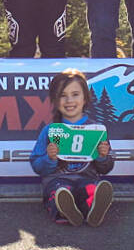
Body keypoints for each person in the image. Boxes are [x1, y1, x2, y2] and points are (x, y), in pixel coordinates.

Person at [30, 70, 116, 226]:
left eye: (75, 94)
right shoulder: (51, 130)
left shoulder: (96, 129)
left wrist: (103, 156)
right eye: (63, 95)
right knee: (60, 191)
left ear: (85, 98)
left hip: (87, 178)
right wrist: (49, 158)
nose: (69, 100)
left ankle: (93, 208)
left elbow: (106, 167)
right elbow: (36, 165)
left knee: (91, 188)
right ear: (55, 101)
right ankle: (65, 210)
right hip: (56, 181)